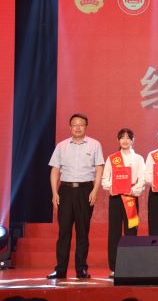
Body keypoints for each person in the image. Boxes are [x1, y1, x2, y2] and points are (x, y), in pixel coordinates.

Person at [47, 113, 104, 280]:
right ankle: (60, 269)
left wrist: (95, 190)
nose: (78, 128)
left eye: (81, 125)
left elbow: (99, 168)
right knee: (64, 232)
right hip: (65, 190)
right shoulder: (61, 146)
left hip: (85, 189)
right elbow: (55, 170)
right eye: (74, 125)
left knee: (82, 231)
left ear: (86, 127)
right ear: (70, 127)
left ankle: (81, 269)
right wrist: (54, 192)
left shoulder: (94, 144)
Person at [101, 128, 145, 278]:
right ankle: (114, 267)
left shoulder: (138, 159)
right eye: (122, 138)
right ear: (118, 140)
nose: (125, 141)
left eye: (128, 138)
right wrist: (113, 187)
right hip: (115, 198)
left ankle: (130, 266)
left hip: (131, 198)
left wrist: (132, 190)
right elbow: (105, 179)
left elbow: (142, 179)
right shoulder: (112, 158)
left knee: (131, 232)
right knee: (114, 232)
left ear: (133, 140)